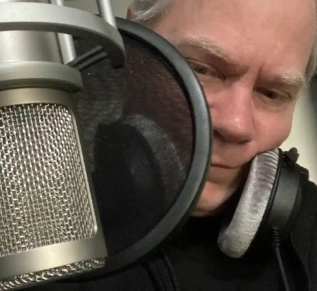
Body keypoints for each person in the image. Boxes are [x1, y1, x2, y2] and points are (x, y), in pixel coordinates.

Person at [32, 0, 317, 290]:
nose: (236, 124)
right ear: (134, 43)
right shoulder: (29, 237)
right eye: (203, 70)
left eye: (272, 93)